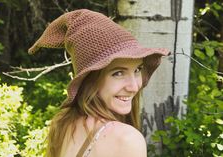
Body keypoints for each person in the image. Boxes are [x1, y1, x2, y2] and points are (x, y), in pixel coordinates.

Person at [28, 9, 169, 157]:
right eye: (118, 73)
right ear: (90, 79)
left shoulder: (63, 125)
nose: (134, 87)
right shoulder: (126, 139)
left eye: (137, 70)